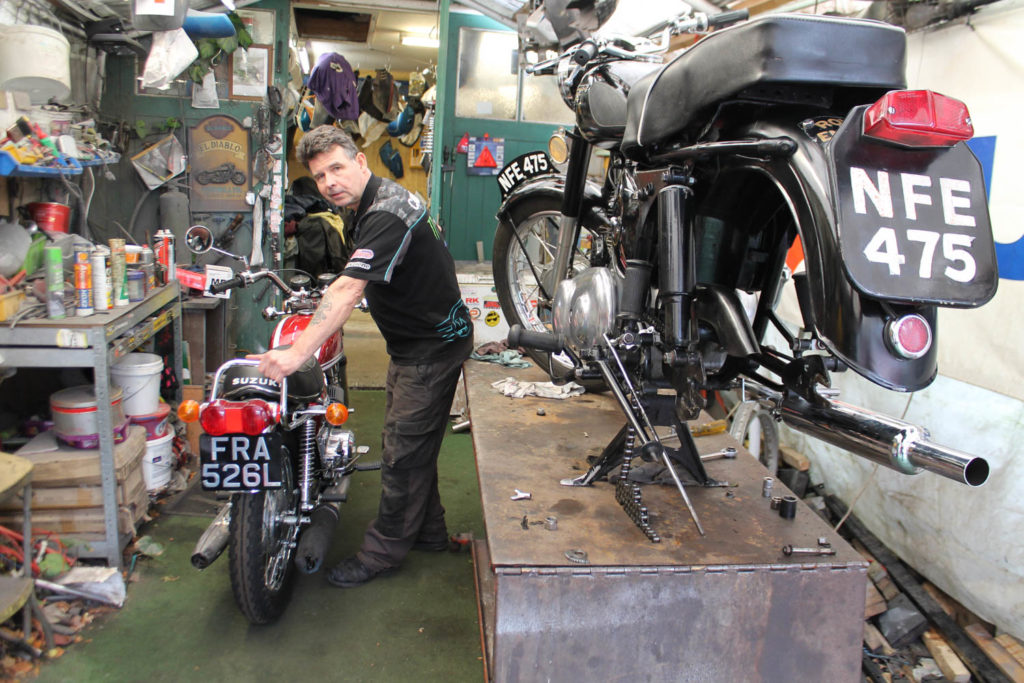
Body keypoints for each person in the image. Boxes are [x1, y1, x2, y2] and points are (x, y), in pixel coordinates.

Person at [247, 125, 473, 588]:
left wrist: (295, 353)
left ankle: (382, 553)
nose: (329, 182)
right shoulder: (366, 203)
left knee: (400, 452)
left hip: (431, 347)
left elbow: (349, 289)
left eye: (337, 168)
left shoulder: (385, 212)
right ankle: (428, 532)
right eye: (319, 175)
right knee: (414, 441)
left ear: (361, 162)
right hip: (415, 342)